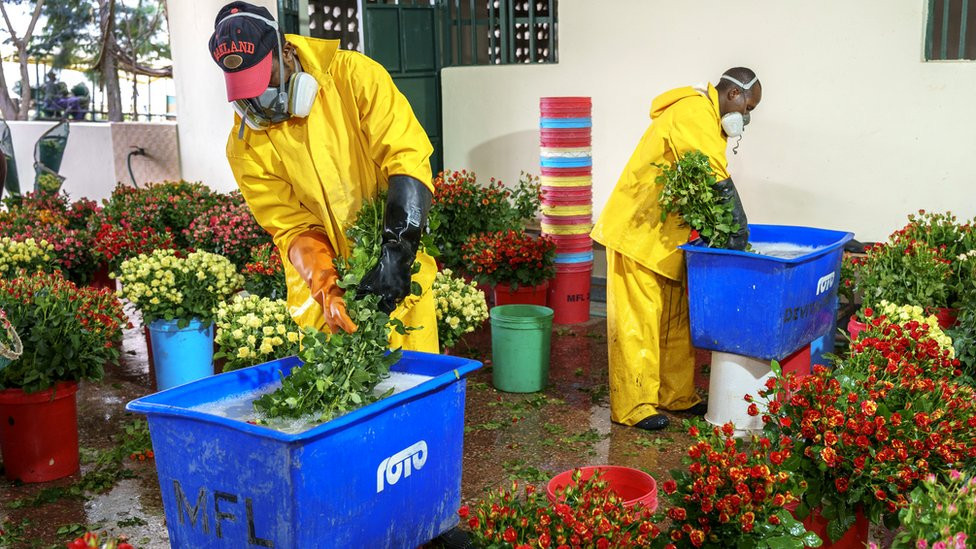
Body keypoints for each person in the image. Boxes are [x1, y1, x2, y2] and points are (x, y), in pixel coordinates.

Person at [209, 1, 438, 352]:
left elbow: (406, 158)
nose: (258, 100)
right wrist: (329, 288)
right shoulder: (246, 145)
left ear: (285, 52)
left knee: (413, 381)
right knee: (336, 393)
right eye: (245, 89)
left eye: (263, 80)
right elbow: (292, 226)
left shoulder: (354, 78)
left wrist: (398, 251)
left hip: (398, 265)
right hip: (320, 295)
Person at [590, 67, 761, 431]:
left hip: (666, 237)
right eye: (749, 107)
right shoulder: (694, 111)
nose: (746, 117)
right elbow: (714, 176)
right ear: (732, 95)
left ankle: (675, 394)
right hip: (637, 231)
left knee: (674, 321)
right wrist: (738, 229)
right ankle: (634, 405)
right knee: (638, 323)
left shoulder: (707, 120)